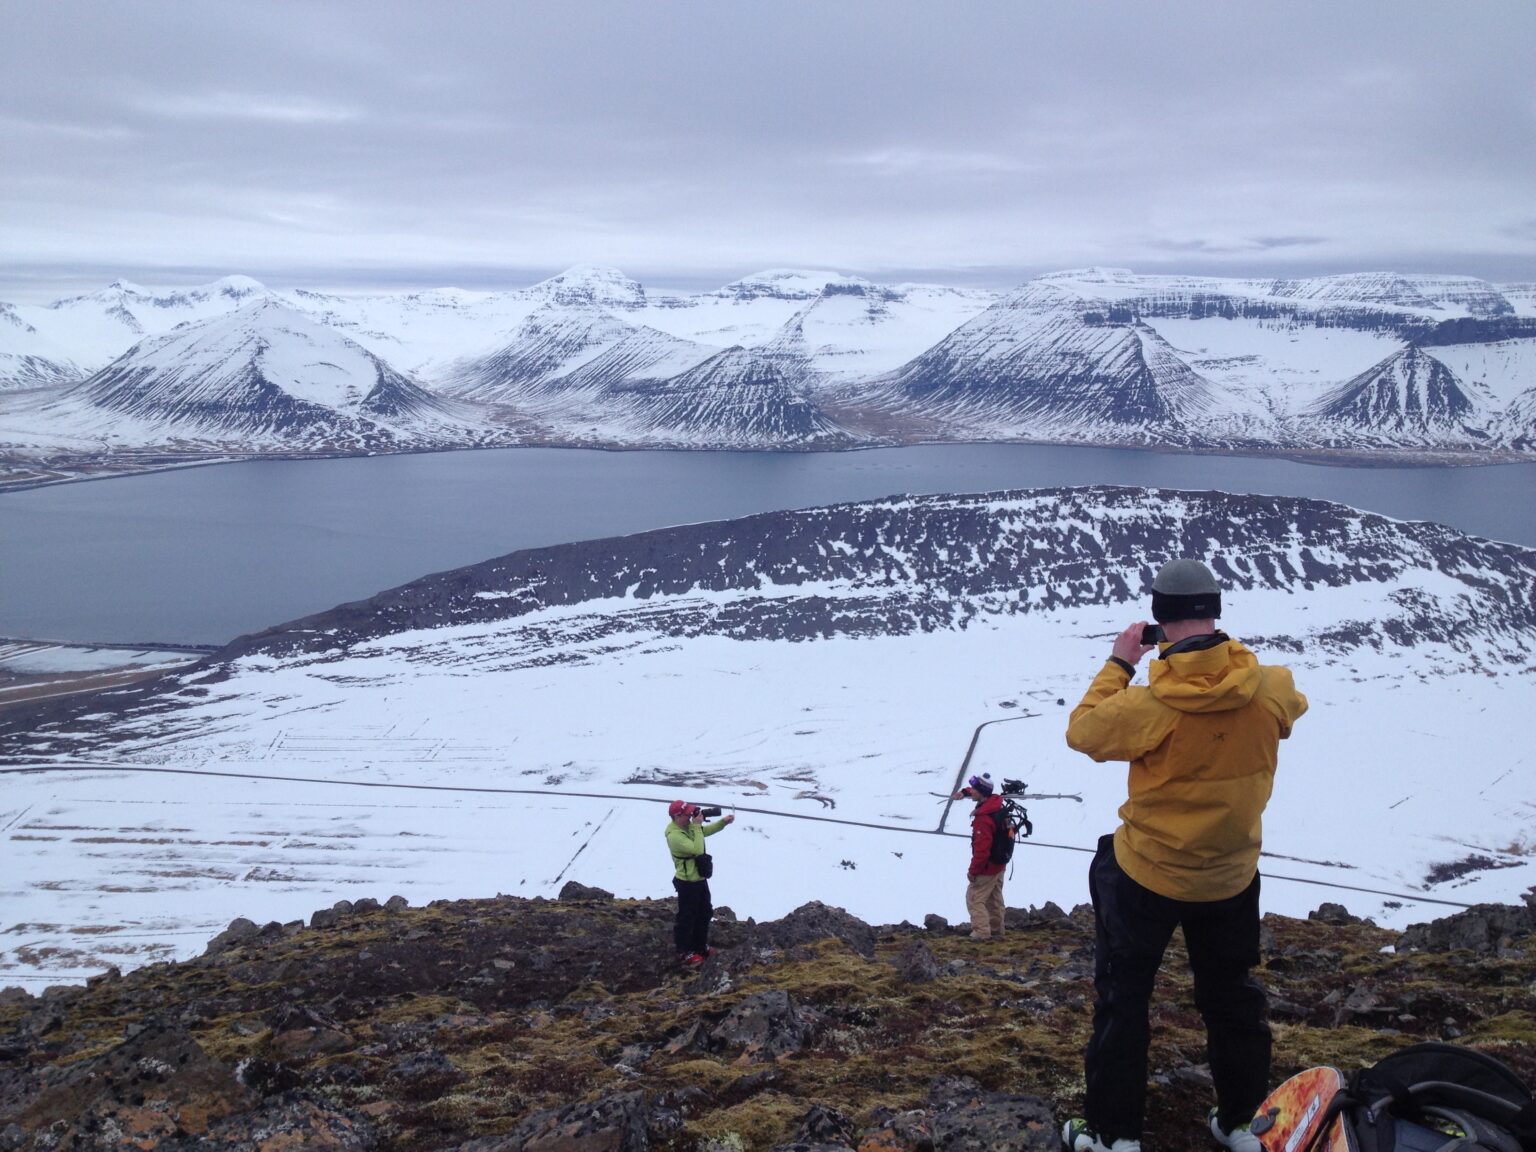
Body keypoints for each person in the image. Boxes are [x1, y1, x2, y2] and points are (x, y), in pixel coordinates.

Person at [1060, 559, 1308, 1152]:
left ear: (1159, 618)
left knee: (1124, 1002)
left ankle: (1113, 1135)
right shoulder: (1269, 685)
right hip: (1229, 876)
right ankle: (1244, 1121)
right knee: (1232, 1001)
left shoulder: (1150, 707)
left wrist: (1122, 660)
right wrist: (1225, 656)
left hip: (1146, 874)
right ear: (1214, 611)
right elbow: (1287, 705)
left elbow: (1084, 732)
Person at [665, 799, 734, 966]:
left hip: (700, 879)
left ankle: (700, 946)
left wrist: (722, 823)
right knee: (687, 917)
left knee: (704, 913)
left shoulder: (688, 827)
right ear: (677, 816)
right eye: (686, 813)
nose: (690, 815)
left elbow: (704, 832)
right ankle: (684, 952)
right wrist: (696, 825)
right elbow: (696, 849)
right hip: (687, 882)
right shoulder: (674, 835)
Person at [954, 772, 1007, 939]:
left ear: (982, 793)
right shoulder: (996, 804)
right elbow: (977, 791)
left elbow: (981, 850)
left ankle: (982, 933)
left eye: (975, 790)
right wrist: (964, 792)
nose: (972, 792)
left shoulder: (983, 820)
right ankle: (997, 930)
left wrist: (973, 871)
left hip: (987, 867)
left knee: (974, 898)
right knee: (994, 898)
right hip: (999, 864)